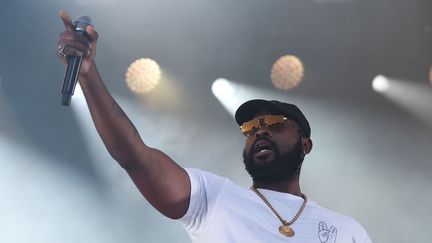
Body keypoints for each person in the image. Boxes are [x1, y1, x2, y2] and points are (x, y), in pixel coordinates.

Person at [56, 10, 372, 243]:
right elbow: (134, 156)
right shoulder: (213, 197)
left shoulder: (347, 231)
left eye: (273, 123)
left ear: (306, 144)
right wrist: (88, 75)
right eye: (250, 127)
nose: (259, 131)